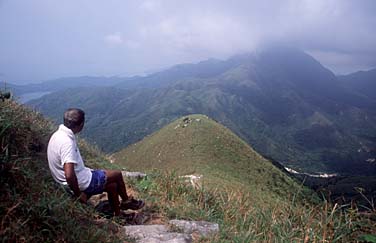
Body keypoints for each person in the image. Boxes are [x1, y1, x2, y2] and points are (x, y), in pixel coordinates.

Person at [47, 108, 144, 216]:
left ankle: (118, 215)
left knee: (112, 186)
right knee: (117, 174)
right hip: (82, 182)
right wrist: (79, 194)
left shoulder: (57, 135)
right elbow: (69, 175)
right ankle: (126, 202)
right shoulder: (67, 143)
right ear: (81, 125)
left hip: (65, 179)